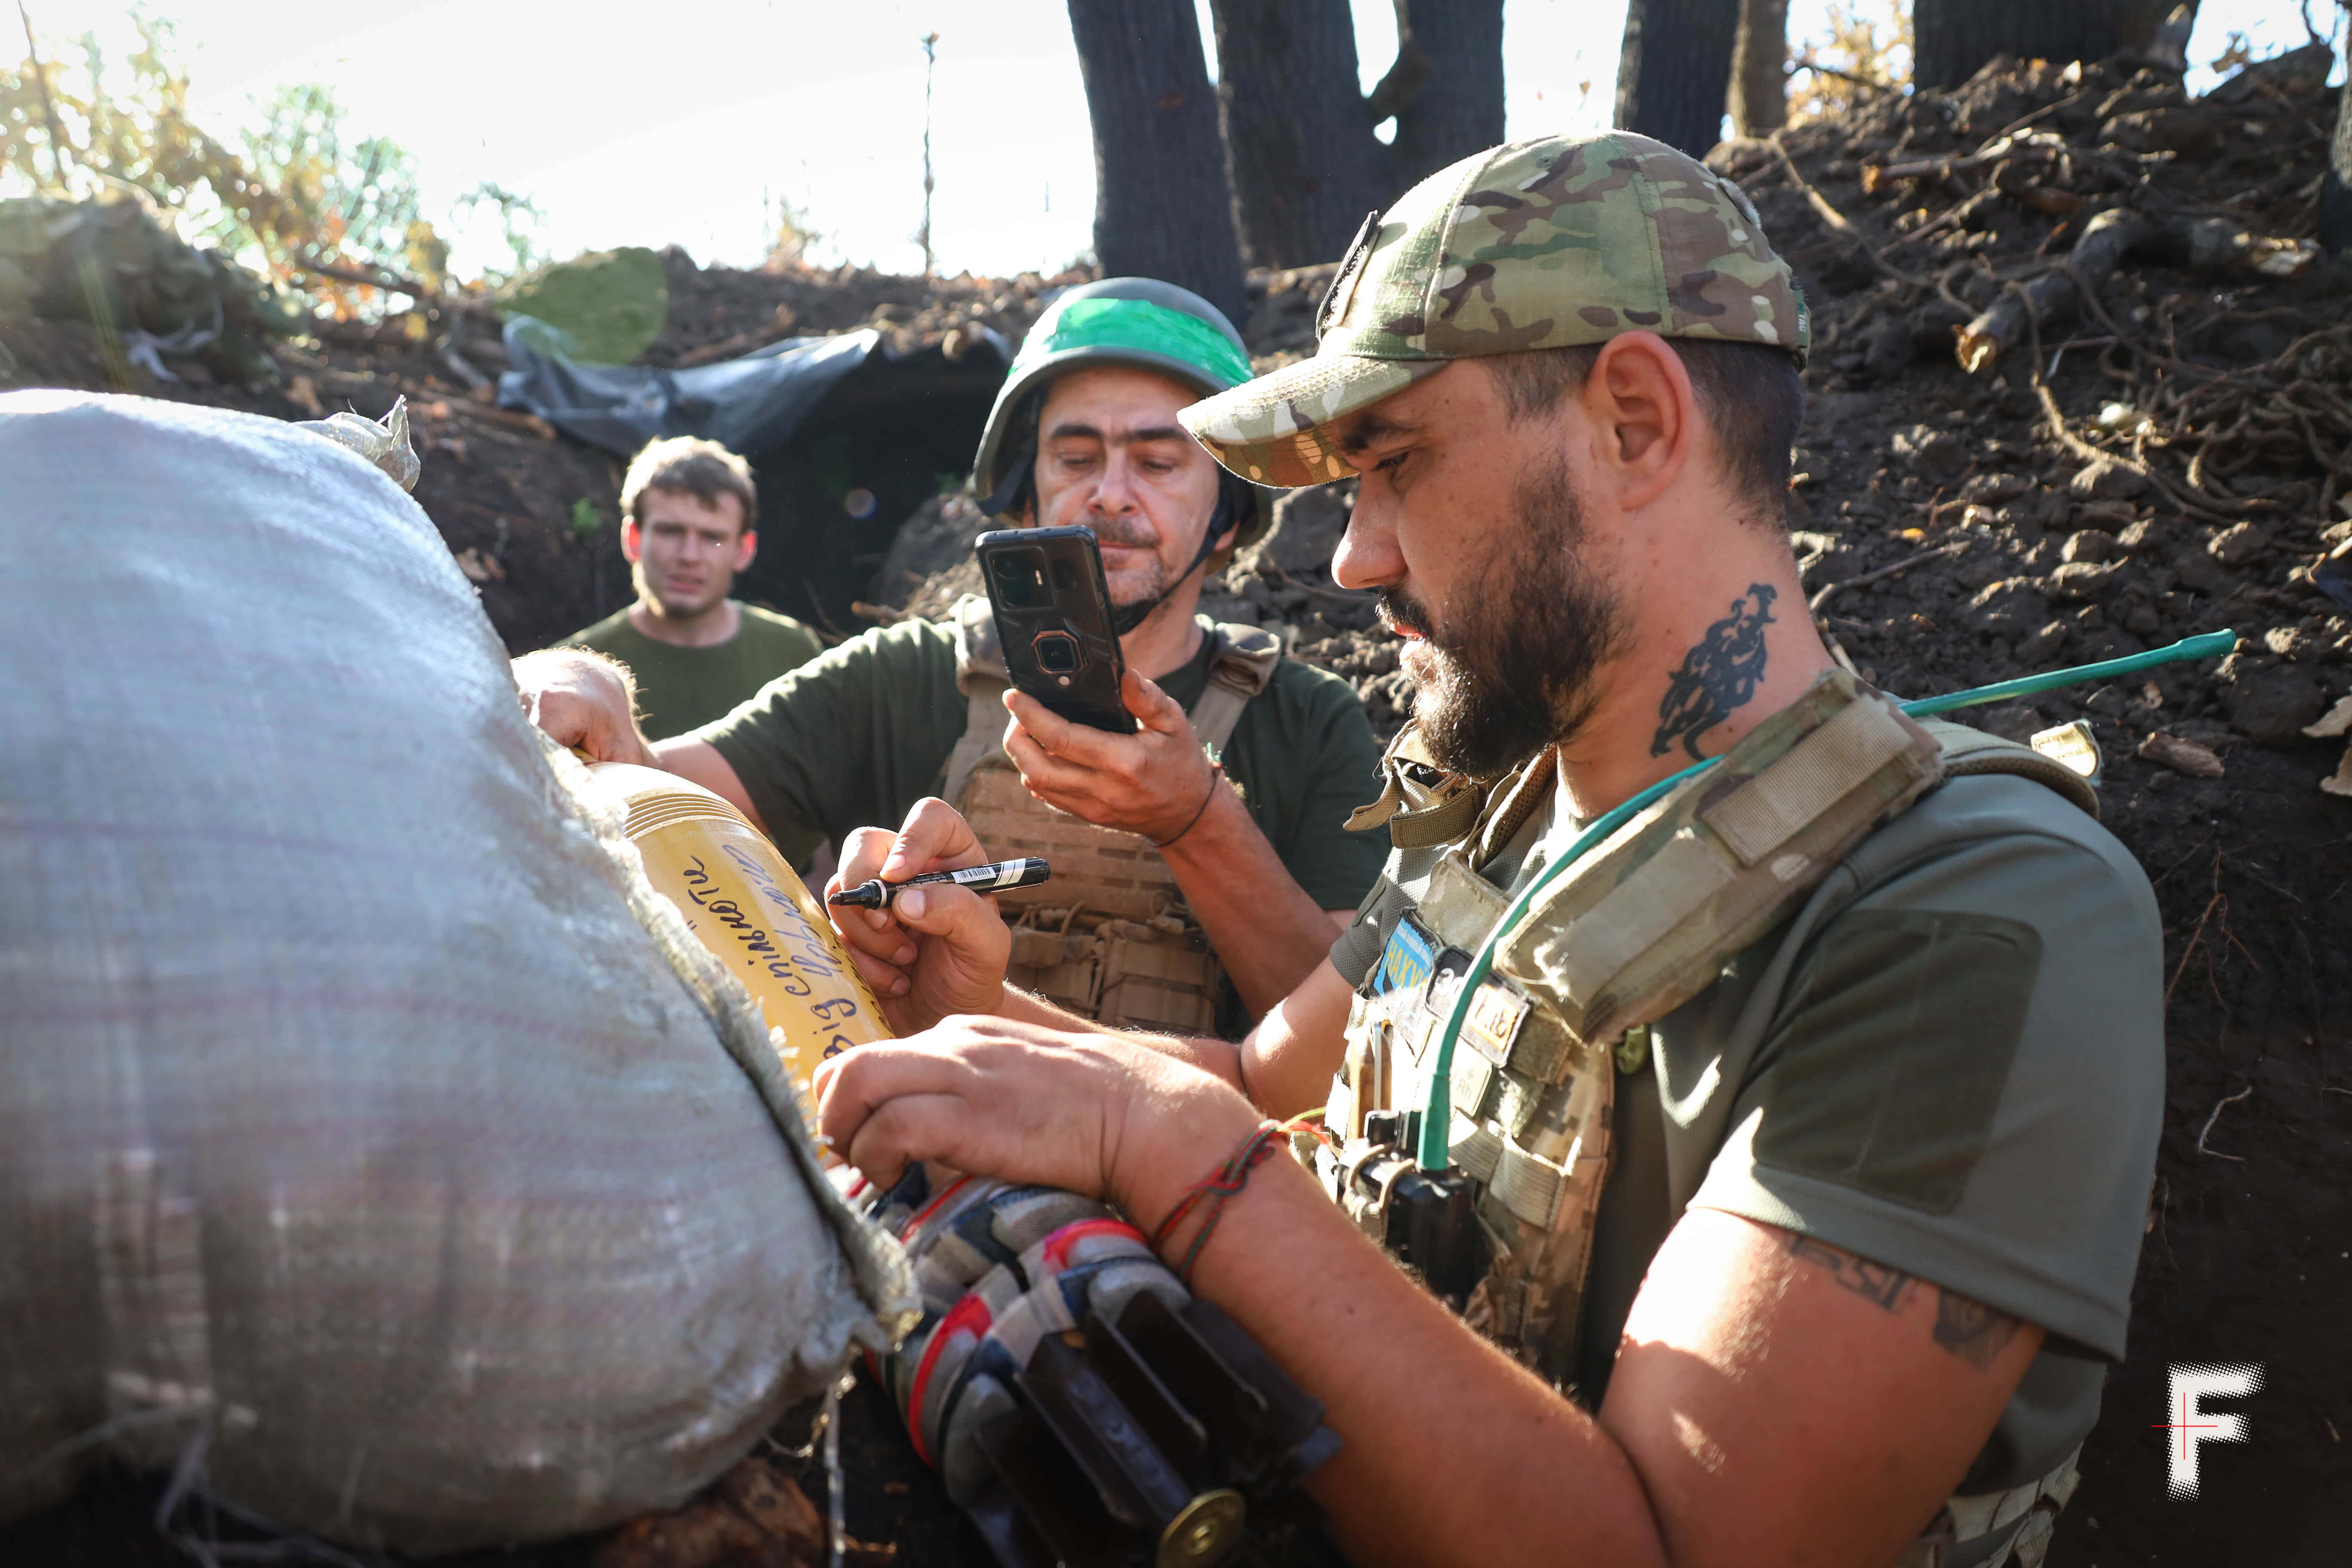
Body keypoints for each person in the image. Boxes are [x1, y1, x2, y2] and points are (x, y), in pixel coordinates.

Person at [807, 134, 2165, 1568]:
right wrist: (977, 1006)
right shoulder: (1507, 817)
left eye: (1392, 463)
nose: (1354, 555)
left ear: (1634, 421)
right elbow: (1269, 1086)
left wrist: (1175, 1158)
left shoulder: (1973, 913)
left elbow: (1676, 1548)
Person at [521, 279, 1389, 1032]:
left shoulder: (1306, 722)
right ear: (1024, 498)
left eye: (1160, 462)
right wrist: (586, 688)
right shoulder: (903, 677)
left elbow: (1342, 1042)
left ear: (1227, 519)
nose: (1110, 494)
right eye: (1075, 456)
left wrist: (1197, 820)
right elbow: (647, 799)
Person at [557, 436, 822, 741]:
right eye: (670, 531)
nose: (689, 556)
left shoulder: (794, 654)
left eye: (713, 537)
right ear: (633, 538)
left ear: (744, 550)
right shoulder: (572, 670)